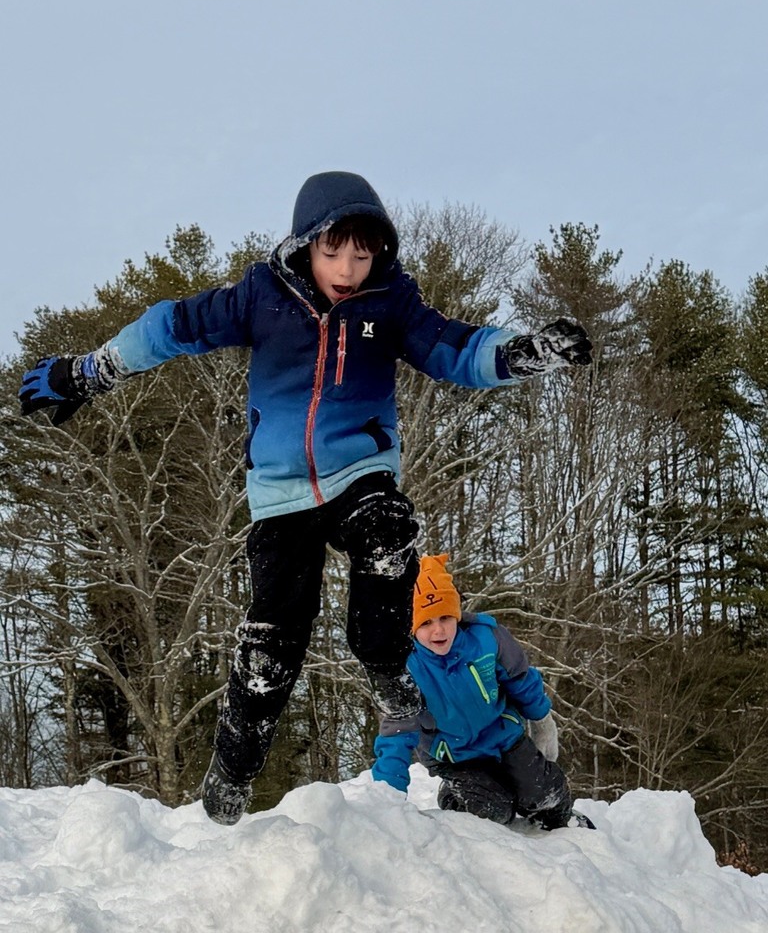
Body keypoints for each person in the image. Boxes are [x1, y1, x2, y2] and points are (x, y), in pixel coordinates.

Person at [18, 170, 592, 825]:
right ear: (304, 246)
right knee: (275, 634)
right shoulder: (260, 300)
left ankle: (387, 670)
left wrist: (522, 353)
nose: (348, 268)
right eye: (333, 252)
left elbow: (454, 348)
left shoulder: (386, 309)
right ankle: (233, 762)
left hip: (359, 473)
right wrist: (91, 370)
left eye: (362, 253)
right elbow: (172, 326)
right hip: (281, 493)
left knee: (388, 529)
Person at [372, 553, 594, 830]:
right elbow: (397, 730)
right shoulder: (405, 668)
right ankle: (455, 796)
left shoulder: (487, 639)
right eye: (425, 623)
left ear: (456, 614)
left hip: (503, 736)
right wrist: (386, 799)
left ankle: (563, 822)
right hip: (454, 755)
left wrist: (541, 719)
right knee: (492, 811)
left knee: (544, 792)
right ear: (410, 625)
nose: (438, 630)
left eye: (445, 617)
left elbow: (521, 679)